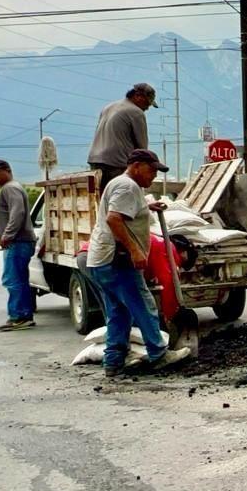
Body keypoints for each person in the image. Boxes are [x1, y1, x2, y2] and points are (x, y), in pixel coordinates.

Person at [86, 149, 190, 377]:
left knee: (118, 312)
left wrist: (145, 208)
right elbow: (114, 218)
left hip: (101, 260)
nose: (153, 175)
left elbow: (122, 210)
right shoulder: (128, 186)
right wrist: (135, 250)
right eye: (151, 170)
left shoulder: (121, 184)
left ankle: (113, 361)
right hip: (117, 260)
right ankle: (159, 353)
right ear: (135, 166)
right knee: (144, 305)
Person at [0, 159, 37, 331]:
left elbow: (18, 212)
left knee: (12, 280)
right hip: (18, 241)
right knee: (19, 280)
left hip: (17, 241)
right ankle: (23, 315)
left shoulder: (10, 188)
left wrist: (8, 234)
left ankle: (19, 317)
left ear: (7, 170)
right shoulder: (9, 188)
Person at [87, 83, 157, 188]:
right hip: (116, 164)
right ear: (138, 96)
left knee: (101, 197)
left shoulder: (108, 107)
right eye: (147, 103)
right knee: (122, 196)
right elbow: (142, 150)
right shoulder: (136, 112)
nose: (147, 108)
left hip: (95, 160)